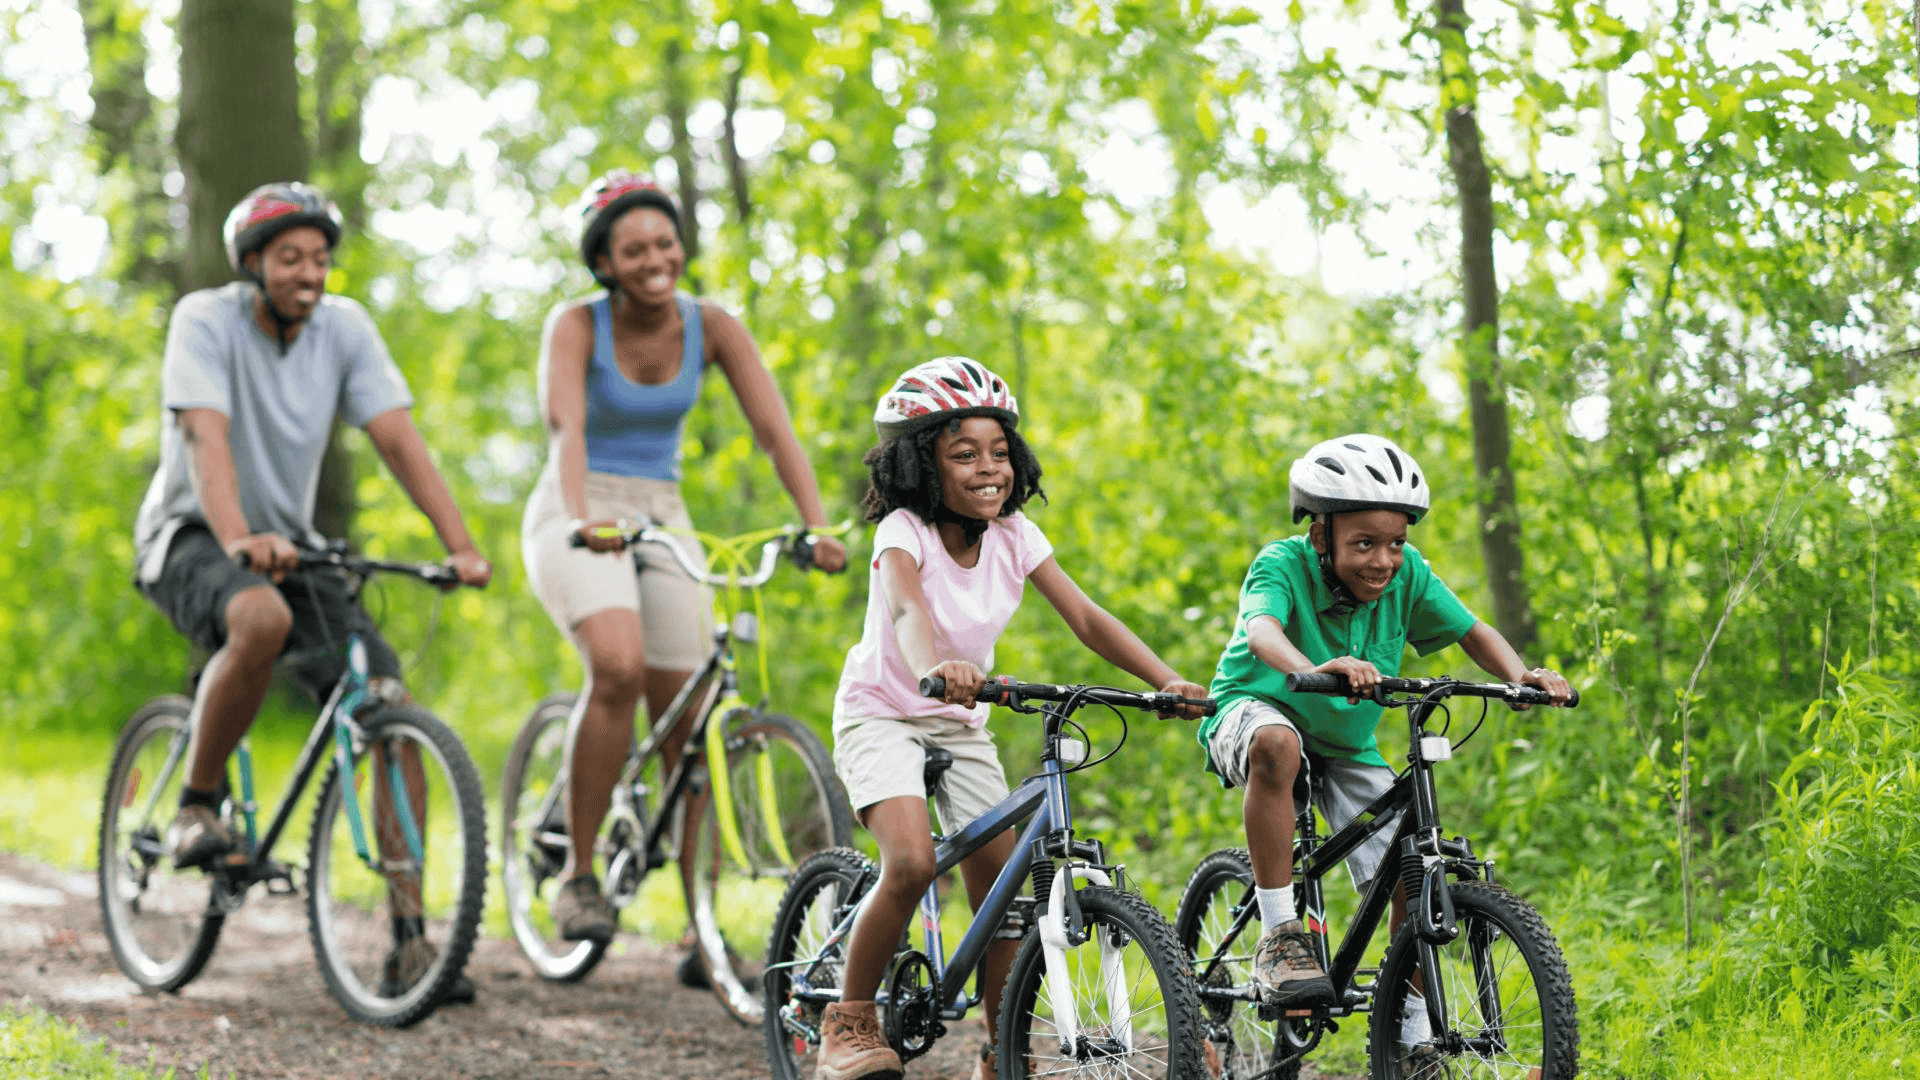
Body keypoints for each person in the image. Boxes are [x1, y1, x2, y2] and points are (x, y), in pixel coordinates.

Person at [133, 180, 493, 996]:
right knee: (256, 618)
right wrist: (235, 538)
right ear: (253, 264)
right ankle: (196, 801)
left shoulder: (345, 329)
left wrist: (461, 545)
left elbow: (398, 438)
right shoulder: (205, 319)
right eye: (291, 257)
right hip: (191, 533)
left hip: (290, 546)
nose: (310, 271)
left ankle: (410, 940)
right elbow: (204, 436)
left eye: (321, 258)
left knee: (388, 705)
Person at [815, 357, 1208, 1080]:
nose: (987, 469)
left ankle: (1003, 1053)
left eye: (999, 454)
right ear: (922, 464)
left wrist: (1166, 681)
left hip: (960, 724)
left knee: (1006, 899)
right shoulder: (904, 531)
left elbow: (1086, 617)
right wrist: (937, 663)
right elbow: (907, 608)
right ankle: (848, 1019)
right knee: (910, 863)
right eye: (964, 455)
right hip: (884, 713)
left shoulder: (1016, 534)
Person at [523, 170, 848, 947]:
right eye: (632, 249)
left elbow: (774, 432)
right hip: (577, 504)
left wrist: (817, 525)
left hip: (663, 509)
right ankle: (577, 873)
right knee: (618, 666)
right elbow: (567, 432)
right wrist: (583, 519)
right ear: (604, 263)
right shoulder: (575, 326)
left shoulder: (713, 326)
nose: (653, 258)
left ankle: (700, 923)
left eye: (664, 242)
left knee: (691, 721)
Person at [1197, 433, 1570, 1048]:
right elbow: (1261, 631)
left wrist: (1521, 675)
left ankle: (1411, 1028)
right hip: (1254, 709)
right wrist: (1316, 667)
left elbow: (1472, 630)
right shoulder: (1281, 564)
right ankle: (1281, 932)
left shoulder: (1408, 577)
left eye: (1395, 543)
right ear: (1321, 536)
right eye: (1363, 543)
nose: (1382, 560)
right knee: (1279, 746)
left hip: (1344, 744)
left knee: (1412, 874)